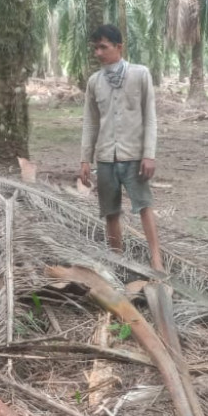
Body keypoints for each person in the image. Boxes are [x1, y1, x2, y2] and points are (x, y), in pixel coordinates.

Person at [79, 24, 164, 271]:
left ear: (119, 47)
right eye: (95, 48)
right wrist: (85, 159)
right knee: (111, 211)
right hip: (106, 157)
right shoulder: (95, 82)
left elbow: (150, 117)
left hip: (134, 156)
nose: (98, 53)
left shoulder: (140, 75)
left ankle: (156, 258)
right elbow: (90, 122)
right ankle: (117, 260)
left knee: (144, 205)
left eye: (103, 47)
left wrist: (149, 154)